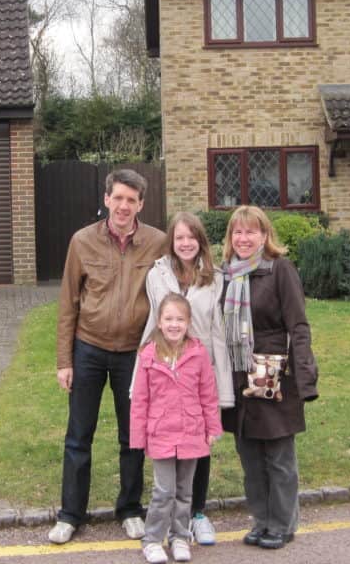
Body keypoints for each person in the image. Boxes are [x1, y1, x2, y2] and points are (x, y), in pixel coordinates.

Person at [49, 168, 166, 545]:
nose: (123, 206)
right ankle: (71, 514)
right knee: (79, 435)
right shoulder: (82, 242)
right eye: (117, 197)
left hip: (134, 353)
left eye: (131, 200)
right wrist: (64, 361)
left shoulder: (157, 243)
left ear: (141, 204)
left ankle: (130, 509)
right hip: (88, 349)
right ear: (106, 199)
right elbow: (68, 304)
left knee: (132, 436)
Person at [219, 205, 318, 550]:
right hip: (236, 374)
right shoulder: (226, 275)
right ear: (231, 238)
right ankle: (261, 521)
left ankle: (283, 523)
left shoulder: (280, 270)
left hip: (273, 375)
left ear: (265, 236)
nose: (244, 239)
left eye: (251, 232)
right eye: (238, 232)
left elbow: (298, 325)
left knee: (278, 456)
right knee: (250, 456)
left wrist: (304, 376)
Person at [139, 211, 234, 545]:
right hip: (165, 366)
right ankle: (164, 521)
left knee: (199, 443)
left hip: (200, 368)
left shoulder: (215, 277)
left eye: (191, 237)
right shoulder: (157, 275)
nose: (185, 243)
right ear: (172, 241)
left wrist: (222, 382)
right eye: (179, 237)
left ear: (200, 241)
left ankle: (196, 514)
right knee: (166, 441)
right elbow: (154, 319)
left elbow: (218, 330)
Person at [130, 293, 223, 564]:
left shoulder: (198, 352)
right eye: (168, 319)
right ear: (159, 322)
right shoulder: (148, 355)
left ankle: (180, 536)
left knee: (185, 491)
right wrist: (139, 436)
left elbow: (208, 393)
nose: (174, 324)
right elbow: (140, 401)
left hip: (192, 432)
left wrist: (212, 427)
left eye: (180, 319)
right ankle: (152, 539)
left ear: (188, 322)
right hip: (160, 434)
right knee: (164, 491)